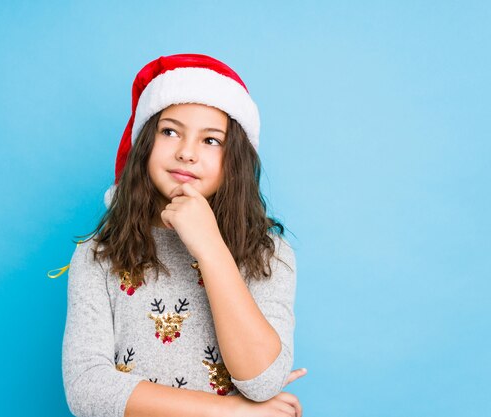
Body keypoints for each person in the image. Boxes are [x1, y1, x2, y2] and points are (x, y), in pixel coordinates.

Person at [62, 53, 307, 417]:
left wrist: (210, 246)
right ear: (145, 143)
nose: (187, 153)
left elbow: (261, 380)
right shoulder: (101, 253)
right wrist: (236, 412)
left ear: (234, 159)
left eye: (211, 140)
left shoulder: (268, 253)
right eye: (170, 131)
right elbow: (86, 387)